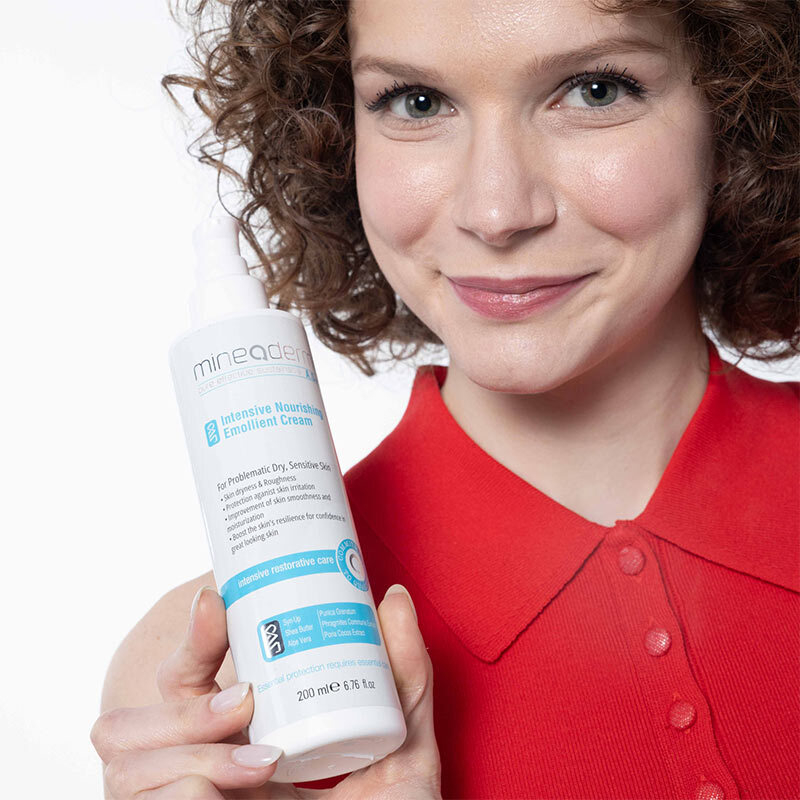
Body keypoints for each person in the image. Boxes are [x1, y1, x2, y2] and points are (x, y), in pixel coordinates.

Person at [91, 0, 799, 797]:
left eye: (595, 90)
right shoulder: (228, 683)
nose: (496, 213)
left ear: (737, 110)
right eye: (417, 102)